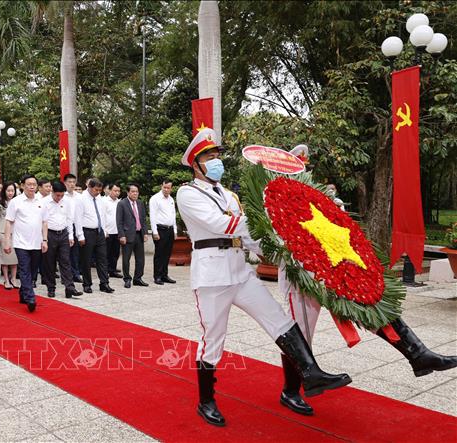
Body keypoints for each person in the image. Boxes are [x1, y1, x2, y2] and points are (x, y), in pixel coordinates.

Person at [176, 128, 350, 427]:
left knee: (280, 320)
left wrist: (279, 251)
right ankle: (206, 400)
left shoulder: (230, 195)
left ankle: (311, 374)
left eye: (217, 155)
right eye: (209, 157)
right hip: (212, 276)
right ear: (195, 164)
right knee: (213, 339)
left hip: (240, 271)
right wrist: (268, 214)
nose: (216, 161)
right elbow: (221, 224)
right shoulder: (187, 193)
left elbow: (249, 237)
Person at [275, 147, 457, 417]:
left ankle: (418, 353)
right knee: (300, 336)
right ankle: (290, 391)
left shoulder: (319, 199)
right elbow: (270, 241)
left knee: (372, 307)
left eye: (305, 169)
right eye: (298, 169)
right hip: (302, 278)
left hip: (335, 272)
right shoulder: (275, 198)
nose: (303, 175)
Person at [3, 174, 43, 312]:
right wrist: (7, 241)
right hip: (21, 243)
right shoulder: (16, 202)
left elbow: (44, 221)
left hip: (37, 242)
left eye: (34, 184)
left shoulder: (41, 200)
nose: (32, 186)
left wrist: (45, 239)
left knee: (33, 271)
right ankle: (30, 297)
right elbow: (9, 221)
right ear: (22, 185)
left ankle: (22, 292)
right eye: (29, 184)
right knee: (25, 269)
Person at [41, 181, 83, 299]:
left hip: (63, 233)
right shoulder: (44, 202)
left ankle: (69, 287)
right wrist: (43, 239)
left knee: (65, 261)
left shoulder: (68, 201)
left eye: (61, 195)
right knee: (50, 262)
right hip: (49, 234)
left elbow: (69, 219)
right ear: (52, 192)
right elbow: (41, 221)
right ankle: (51, 288)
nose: (59, 198)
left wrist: (70, 235)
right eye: (57, 195)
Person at [74, 178, 114, 294]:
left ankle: (104, 283)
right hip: (87, 232)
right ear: (90, 187)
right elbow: (78, 218)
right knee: (86, 260)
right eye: (96, 190)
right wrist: (80, 235)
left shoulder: (99, 199)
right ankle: (87, 284)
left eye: (100, 190)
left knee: (102, 259)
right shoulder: (81, 199)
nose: (98, 192)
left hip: (99, 232)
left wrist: (105, 230)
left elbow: (103, 215)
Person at [116, 184, 148, 288]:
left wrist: (145, 233)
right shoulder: (122, 204)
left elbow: (143, 220)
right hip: (127, 235)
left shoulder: (140, 203)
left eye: (137, 191)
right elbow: (119, 221)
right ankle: (127, 279)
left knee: (140, 259)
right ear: (128, 192)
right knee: (126, 259)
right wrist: (121, 235)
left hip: (139, 234)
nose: (135, 193)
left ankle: (138, 278)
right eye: (133, 191)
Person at [149, 179, 178, 285]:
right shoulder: (155, 199)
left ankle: (164, 275)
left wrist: (174, 230)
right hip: (160, 230)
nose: (166, 189)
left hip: (170, 229)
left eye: (168, 188)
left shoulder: (171, 199)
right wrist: (154, 232)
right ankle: (157, 276)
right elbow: (152, 216)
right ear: (161, 186)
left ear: (171, 188)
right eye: (164, 187)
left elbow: (173, 215)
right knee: (159, 254)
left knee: (167, 253)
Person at [0, 181, 19, 290]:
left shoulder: (18, 202)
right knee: (4, 257)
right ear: (4, 191)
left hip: (16, 232)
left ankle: (13, 278)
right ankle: (6, 280)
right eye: (8, 190)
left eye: (12, 191)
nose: (10, 193)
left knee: (15, 258)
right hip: (3, 231)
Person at [63, 173, 83, 284]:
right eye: (69, 182)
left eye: (73, 182)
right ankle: (65, 275)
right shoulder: (62, 196)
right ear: (65, 183)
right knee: (64, 253)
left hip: (76, 226)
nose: (71, 184)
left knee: (75, 252)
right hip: (64, 226)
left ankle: (75, 273)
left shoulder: (79, 197)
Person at [102, 184, 123, 278]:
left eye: (118, 191)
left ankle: (112, 270)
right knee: (106, 253)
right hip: (108, 232)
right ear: (109, 191)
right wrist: (104, 230)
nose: (117, 193)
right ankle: (104, 271)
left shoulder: (119, 202)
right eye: (115, 191)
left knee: (115, 252)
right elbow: (102, 217)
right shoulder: (104, 201)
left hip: (117, 231)